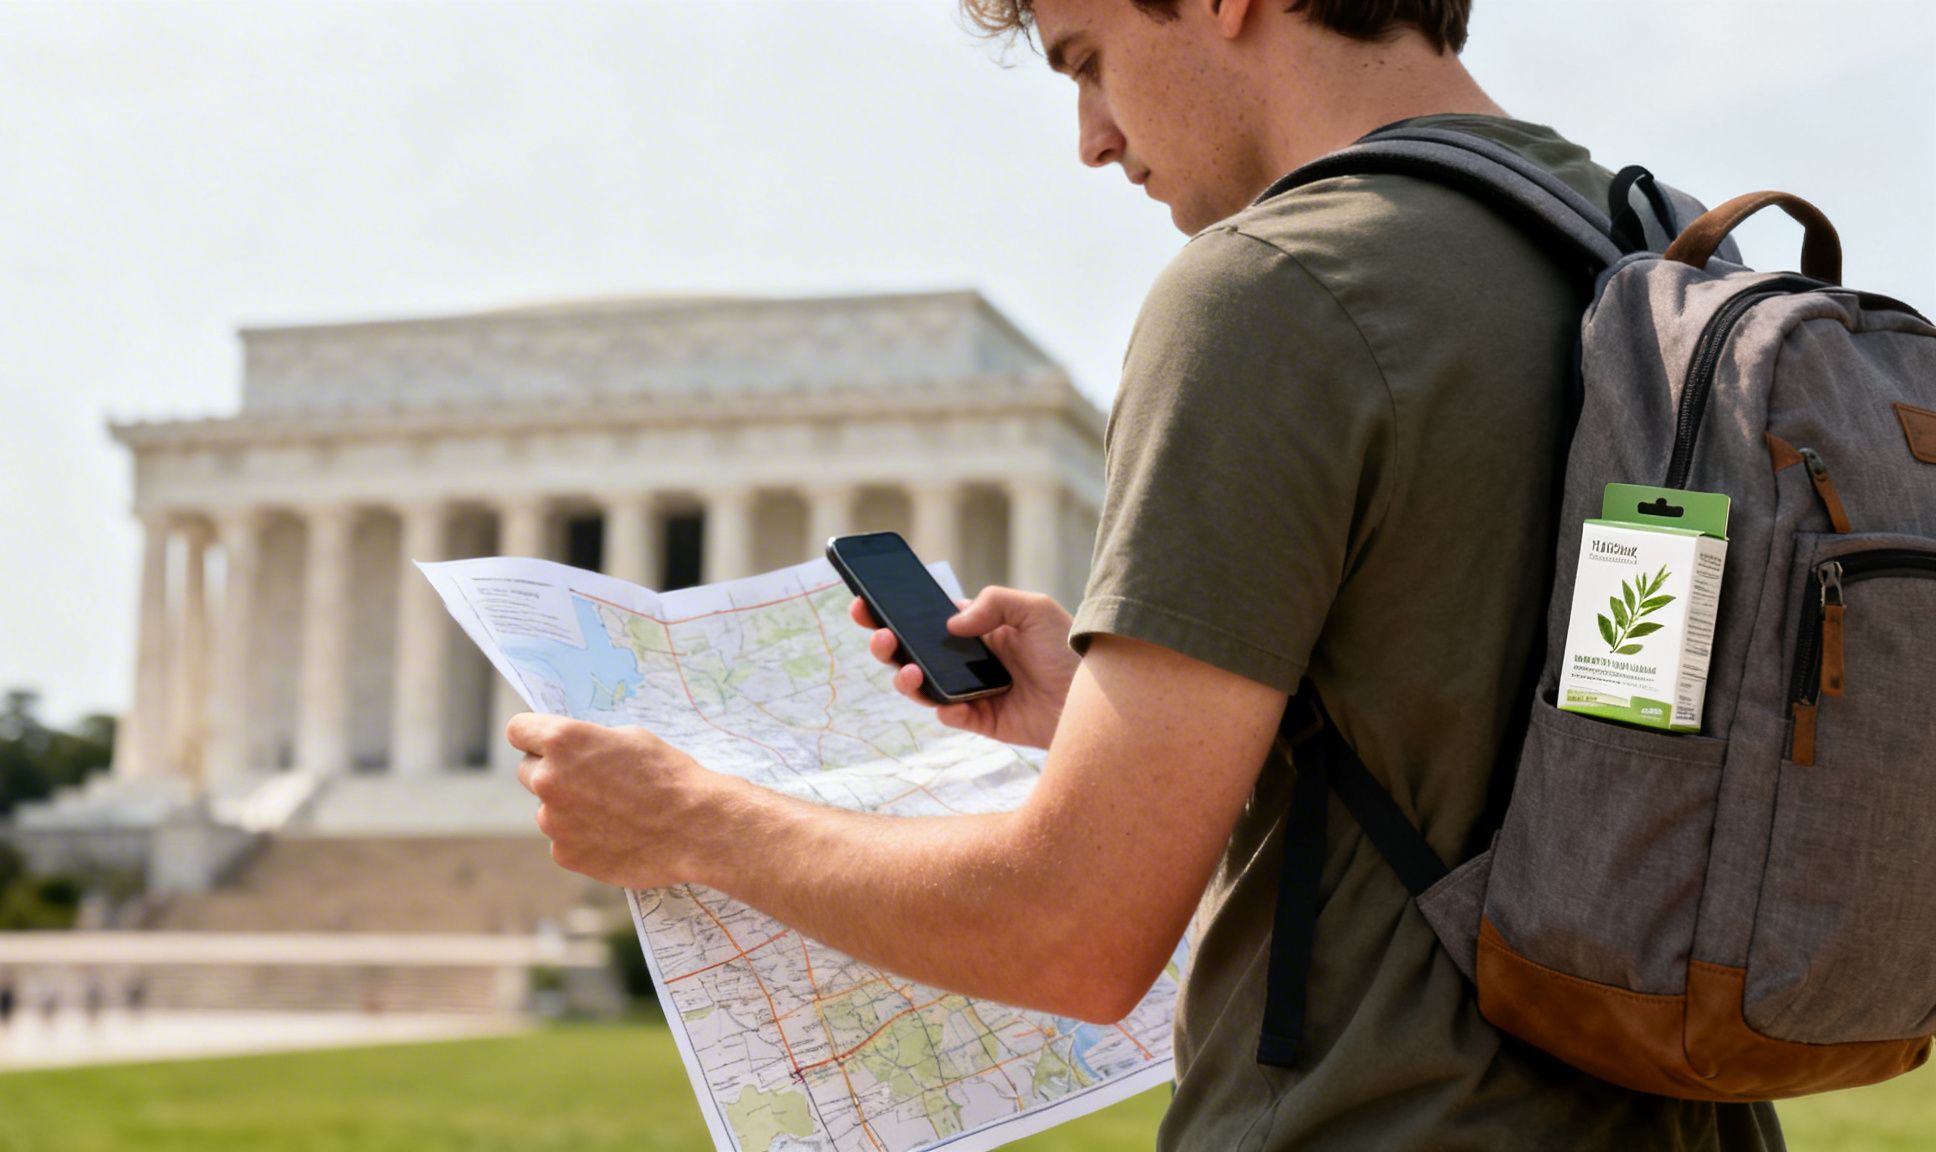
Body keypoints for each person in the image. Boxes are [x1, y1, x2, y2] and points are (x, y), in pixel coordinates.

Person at [507, 1, 1784, 1147]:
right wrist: (1128, 724)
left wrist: (687, 821)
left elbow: (1071, 930)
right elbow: (1581, 733)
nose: (1091, 137)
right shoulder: (1669, 249)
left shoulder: (1274, 287)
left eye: (1089, 60)